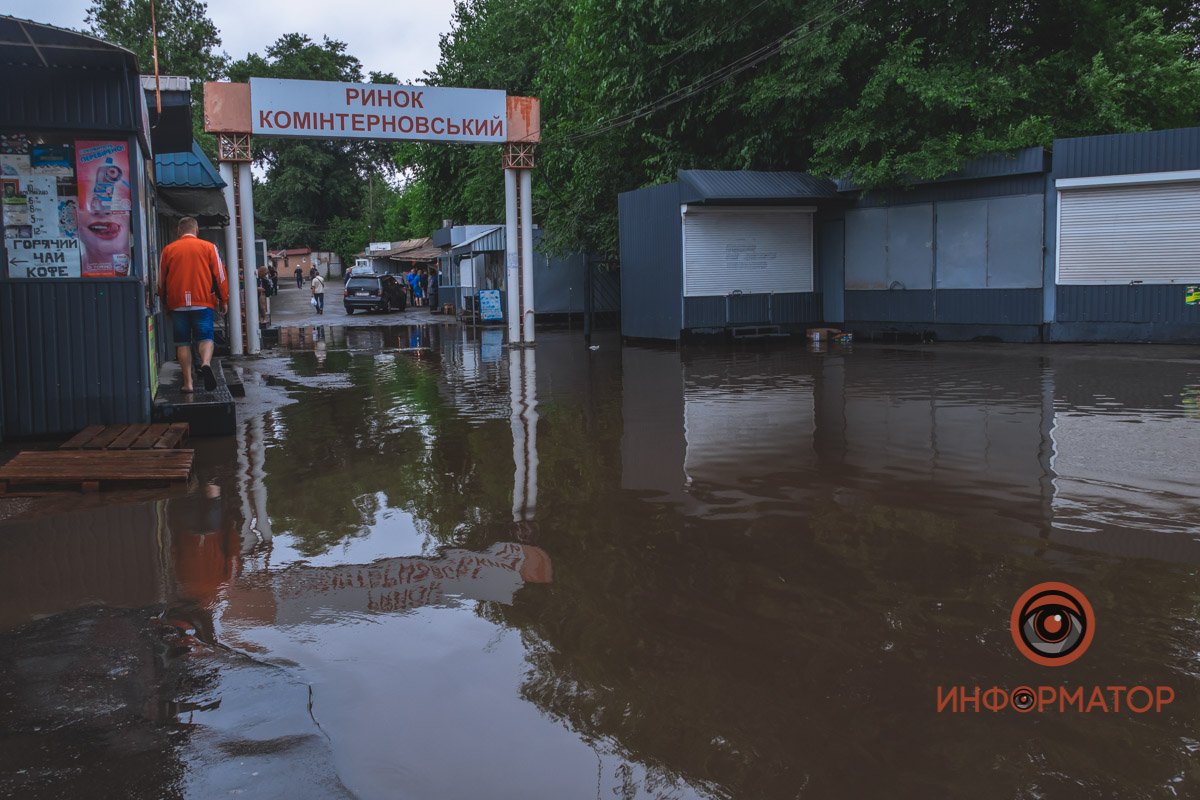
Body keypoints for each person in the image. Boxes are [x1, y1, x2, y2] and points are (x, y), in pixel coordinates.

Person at [159, 216, 229, 393]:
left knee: (182, 342)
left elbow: (161, 281)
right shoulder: (208, 247)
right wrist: (224, 299)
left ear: (178, 230)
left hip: (177, 303)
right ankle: (205, 363)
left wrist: (165, 303)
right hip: (202, 301)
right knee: (205, 338)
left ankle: (188, 383)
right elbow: (220, 276)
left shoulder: (168, 250)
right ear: (196, 230)